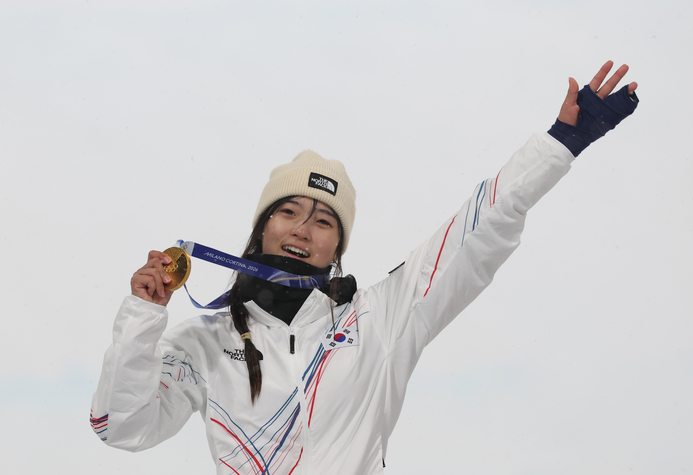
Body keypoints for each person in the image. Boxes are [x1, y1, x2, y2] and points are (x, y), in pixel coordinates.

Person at [91, 61, 639, 474]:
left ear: (337, 248)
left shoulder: (381, 320)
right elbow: (122, 427)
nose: (303, 230)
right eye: (288, 211)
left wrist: (560, 144)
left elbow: (475, 233)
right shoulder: (205, 342)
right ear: (262, 227)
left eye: (323, 221)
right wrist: (142, 318)